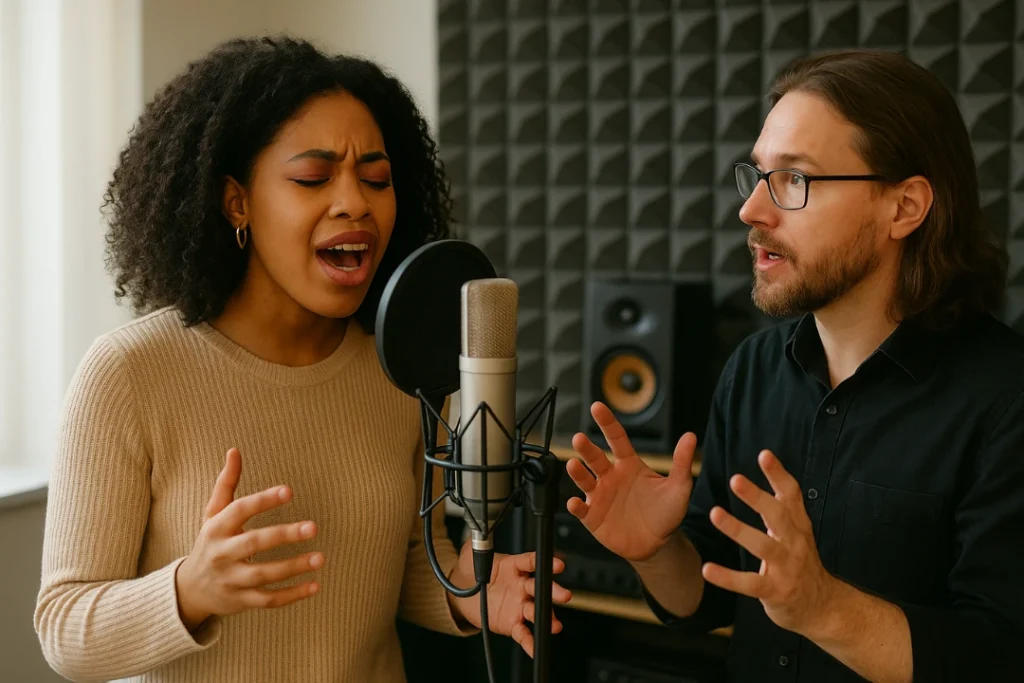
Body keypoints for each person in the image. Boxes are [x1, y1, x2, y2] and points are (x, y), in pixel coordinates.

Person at [34, 36, 570, 683]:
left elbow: (404, 562)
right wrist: (191, 588)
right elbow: (64, 628)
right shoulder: (129, 373)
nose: (355, 202)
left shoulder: (403, 369)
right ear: (237, 202)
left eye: (376, 178)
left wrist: (469, 596)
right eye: (314, 178)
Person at [566, 49, 1024, 682]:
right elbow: (709, 599)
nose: (752, 210)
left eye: (794, 179)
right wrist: (656, 552)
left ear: (904, 208)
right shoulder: (753, 369)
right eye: (757, 174)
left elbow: (1001, 654)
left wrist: (824, 609)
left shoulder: (1005, 398)